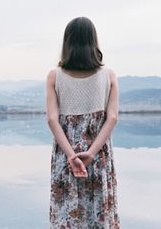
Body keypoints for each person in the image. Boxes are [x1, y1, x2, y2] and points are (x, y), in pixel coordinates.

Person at [45, 16, 120, 228]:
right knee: (100, 214)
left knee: (67, 214)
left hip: (66, 156)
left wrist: (71, 155)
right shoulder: (109, 76)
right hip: (99, 156)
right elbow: (112, 118)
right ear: (93, 42)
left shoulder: (54, 76)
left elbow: (52, 119)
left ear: (67, 43)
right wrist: (91, 153)